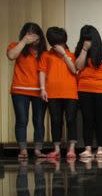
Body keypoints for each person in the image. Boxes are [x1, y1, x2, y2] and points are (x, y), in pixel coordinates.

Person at [7, 22, 47, 159]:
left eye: (34, 36)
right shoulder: (16, 46)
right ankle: (23, 150)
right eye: (28, 35)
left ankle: (37, 150)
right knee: (22, 120)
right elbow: (11, 56)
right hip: (20, 90)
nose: (32, 39)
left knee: (39, 120)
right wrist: (24, 41)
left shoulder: (44, 53)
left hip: (39, 91)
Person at [75, 25, 102, 159]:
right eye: (85, 39)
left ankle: (101, 148)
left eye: (89, 39)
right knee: (87, 119)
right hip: (83, 89)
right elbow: (78, 66)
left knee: (101, 120)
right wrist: (85, 49)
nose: (87, 41)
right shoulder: (81, 50)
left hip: (101, 90)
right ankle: (87, 149)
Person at [38, 27, 78, 159]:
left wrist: (64, 55)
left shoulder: (71, 54)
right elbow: (42, 71)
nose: (59, 45)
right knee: (55, 121)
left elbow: (74, 70)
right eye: (57, 43)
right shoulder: (46, 55)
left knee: (71, 120)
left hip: (71, 93)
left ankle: (71, 148)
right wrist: (43, 89)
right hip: (53, 93)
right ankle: (56, 149)